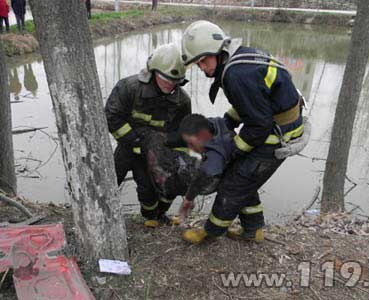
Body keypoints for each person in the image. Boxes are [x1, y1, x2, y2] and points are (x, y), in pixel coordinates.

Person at [179, 21, 305, 243]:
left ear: (217, 52)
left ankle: (211, 232)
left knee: (233, 183)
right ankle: (253, 230)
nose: (202, 68)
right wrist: (229, 120)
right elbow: (255, 101)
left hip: (276, 136)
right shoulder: (241, 57)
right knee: (246, 180)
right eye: (197, 64)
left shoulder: (236, 75)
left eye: (203, 61)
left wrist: (235, 149)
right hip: (282, 125)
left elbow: (259, 125)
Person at [105, 43, 191, 228]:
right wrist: (134, 143)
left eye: (174, 81)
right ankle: (101, 214)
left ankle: (152, 217)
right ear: (152, 72)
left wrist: (176, 158)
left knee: (148, 187)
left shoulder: (182, 101)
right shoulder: (129, 88)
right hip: (127, 146)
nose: (170, 84)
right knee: (110, 181)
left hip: (155, 151)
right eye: (165, 78)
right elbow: (112, 116)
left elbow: (181, 134)